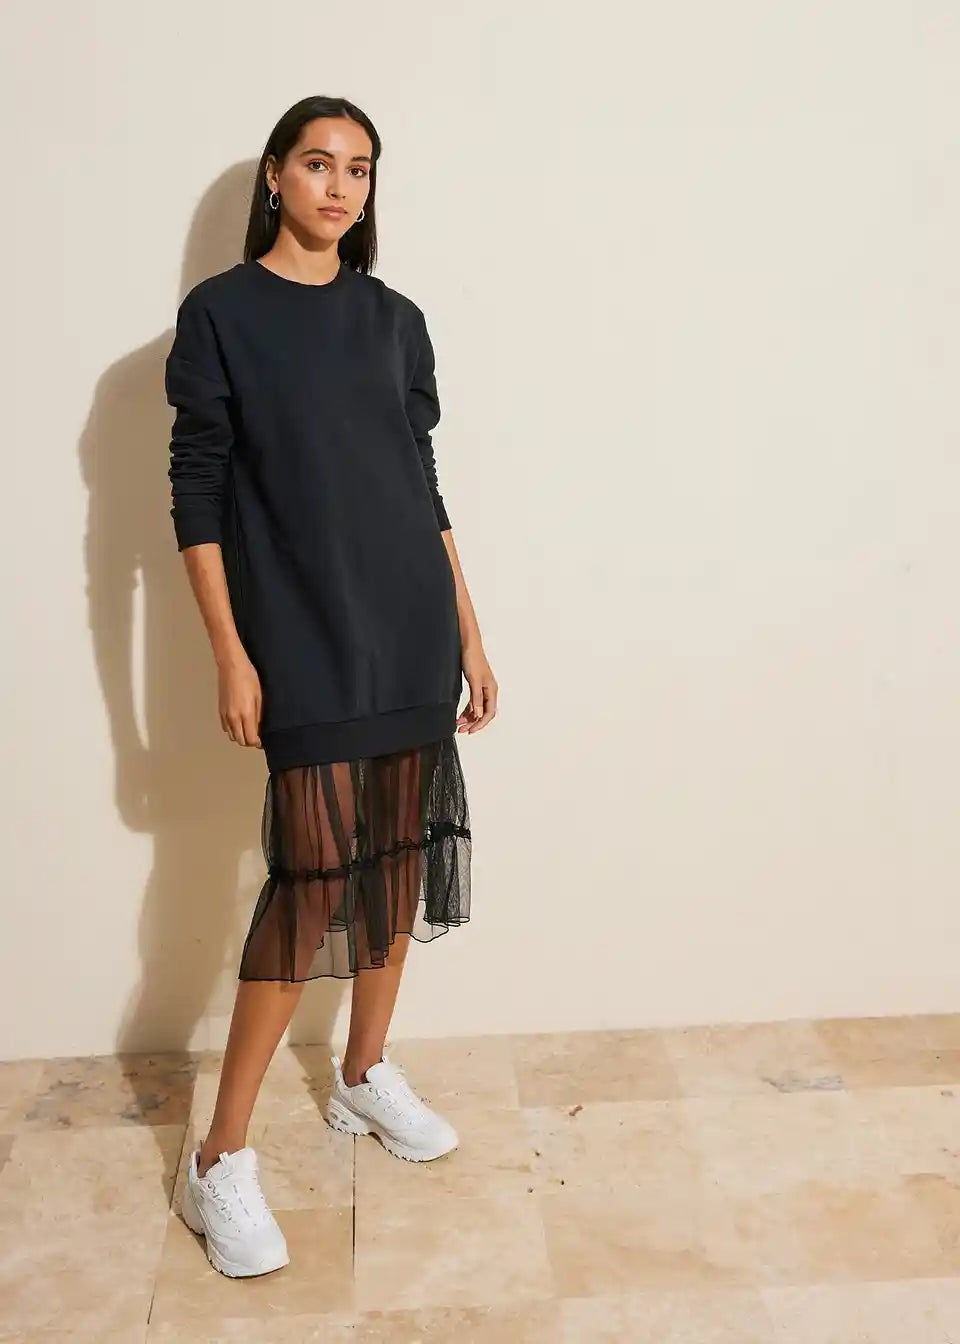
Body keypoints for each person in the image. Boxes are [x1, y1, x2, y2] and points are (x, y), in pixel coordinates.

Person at [164, 94, 498, 1279]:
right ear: (275, 176)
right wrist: (231, 651)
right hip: (300, 630)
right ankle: (219, 1156)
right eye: (318, 163)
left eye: (359, 168)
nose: (340, 186)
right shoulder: (222, 315)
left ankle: (362, 1071)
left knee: (396, 859)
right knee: (309, 884)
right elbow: (196, 492)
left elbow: (422, 483)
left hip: (410, 624)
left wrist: (470, 632)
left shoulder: (395, 321)